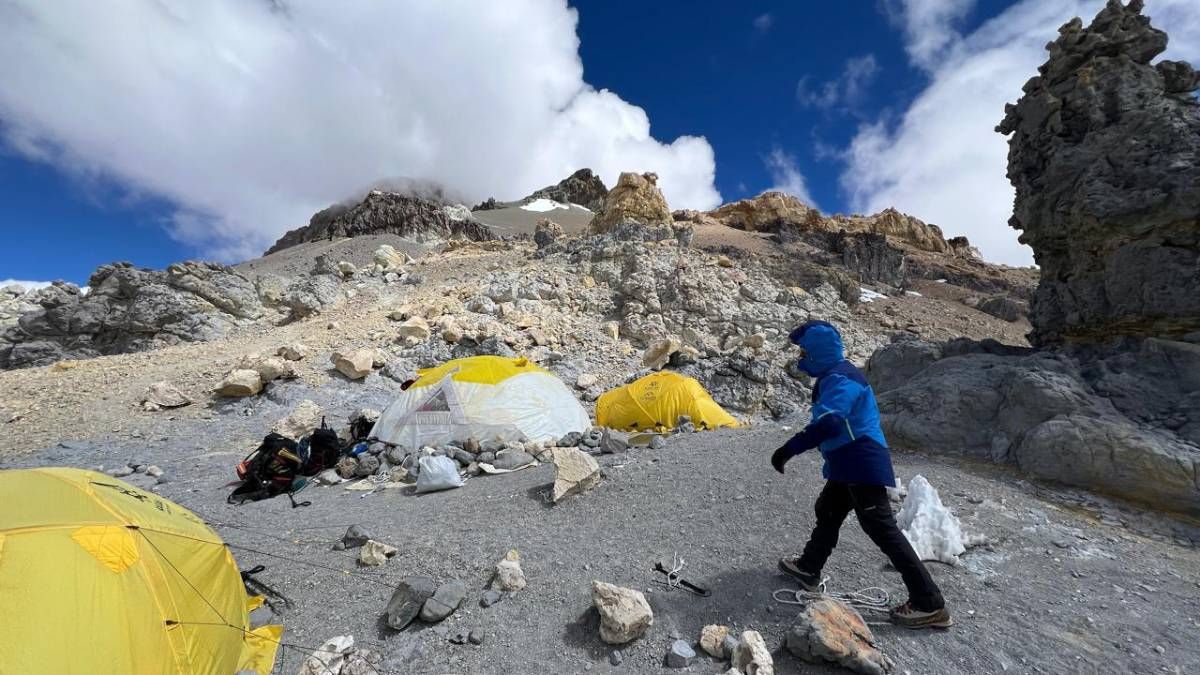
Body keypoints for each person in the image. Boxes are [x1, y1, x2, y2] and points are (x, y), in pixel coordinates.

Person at [771, 320, 951, 629]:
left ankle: (930, 602)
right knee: (828, 510)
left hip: (860, 459)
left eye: (804, 351)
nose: (800, 357)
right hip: (848, 461)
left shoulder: (841, 378)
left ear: (818, 351)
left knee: (881, 528)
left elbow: (830, 424)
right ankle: (808, 567)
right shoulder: (834, 374)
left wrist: (789, 448)